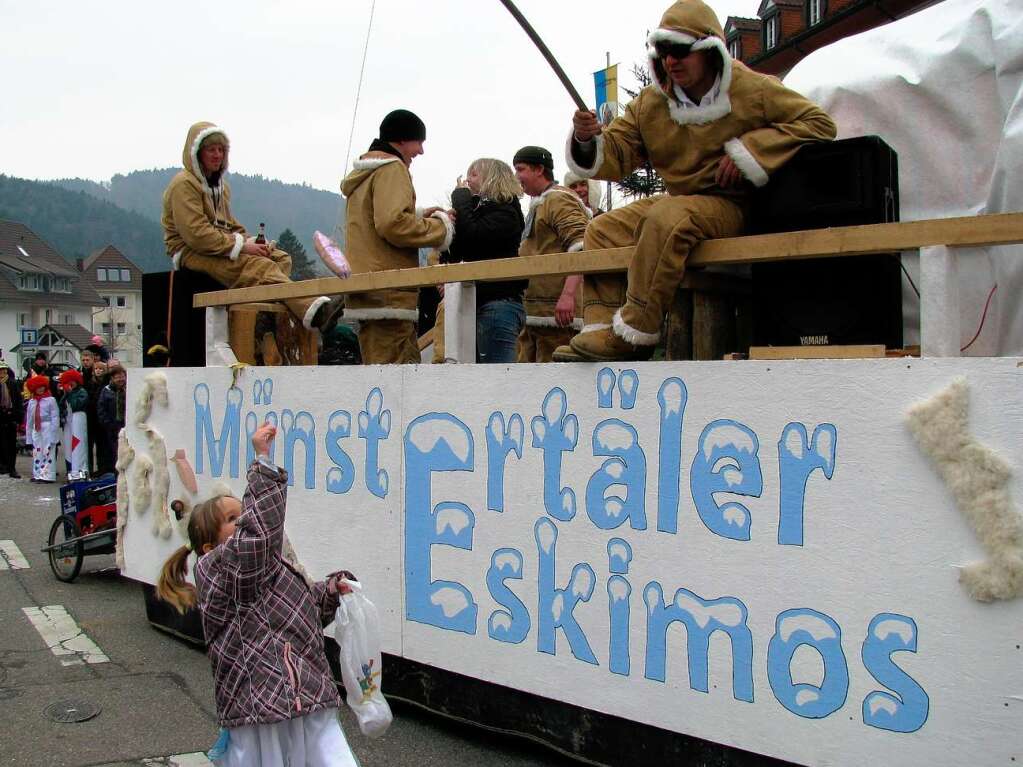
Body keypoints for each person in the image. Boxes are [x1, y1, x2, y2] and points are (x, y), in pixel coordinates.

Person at [558, 0, 837, 362]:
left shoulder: (753, 89)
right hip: (679, 201)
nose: (671, 61)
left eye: (681, 51)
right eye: (663, 52)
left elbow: (818, 124)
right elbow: (617, 153)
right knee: (602, 229)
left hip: (733, 205)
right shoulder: (650, 104)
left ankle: (635, 332)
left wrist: (750, 150)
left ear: (709, 51)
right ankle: (599, 331)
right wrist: (586, 139)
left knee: (667, 218)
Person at [156, 423, 359, 767]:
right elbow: (258, 535)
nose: (245, 521)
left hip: (302, 692)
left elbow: (302, 611)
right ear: (209, 546)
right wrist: (262, 463)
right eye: (234, 519)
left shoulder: (265, 567)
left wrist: (331, 591)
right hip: (261, 702)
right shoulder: (220, 569)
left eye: (243, 514)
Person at [161, 122, 342, 338]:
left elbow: (231, 226)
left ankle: (265, 315)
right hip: (191, 252)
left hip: (218, 245)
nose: (217, 155)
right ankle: (314, 311)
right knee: (259, 268)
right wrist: (242, 248)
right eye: (211, 149)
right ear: (197, 153)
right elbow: (196, 235)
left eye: (221, 150)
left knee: (280, 258)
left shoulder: (221, 187)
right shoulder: (184, 185)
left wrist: (255, 242)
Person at [341, 109, 454, 364]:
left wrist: (419, 214)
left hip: (368, 289)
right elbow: (392, 224)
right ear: (402, 140)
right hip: (390, 293)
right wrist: (441, 227)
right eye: (419, 142)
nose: (421, 151)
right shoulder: (393, 168)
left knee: (383, 371)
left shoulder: (365, 174)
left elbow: (374, 219)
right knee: (396, 381)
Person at [442, 158, 527, 363]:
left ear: (491, 178)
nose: (467, 180)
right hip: (475, 302)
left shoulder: (507, 211)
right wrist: (449, 225)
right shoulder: (478, 212)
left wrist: (460, 199)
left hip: (498, 303)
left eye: (473, 174)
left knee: (496, 378)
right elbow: (457, 253)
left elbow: (474, 236)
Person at [511, 146, 590, 363]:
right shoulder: (540, 203)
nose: (517, 176)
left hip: (557, 315)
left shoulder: (558, 200)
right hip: (537, 312)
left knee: (555, 384)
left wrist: (568, 295)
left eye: (521, 169)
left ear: (539, 169)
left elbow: (582, 246)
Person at [25, 374, 59, 483]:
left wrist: (54, 433)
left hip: (47, 426)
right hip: (36, 428)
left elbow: (55, 417)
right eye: (37, 387)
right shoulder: (32, 402)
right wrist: (28, 437)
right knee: (37, 450)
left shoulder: (51, 400)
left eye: (42, 387)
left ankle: (48, 475)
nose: (40, 389)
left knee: (47, 450)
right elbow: (29, 419)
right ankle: (37, 474)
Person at [58, 369, 89, 480]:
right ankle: (70, 470)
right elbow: (62, 406)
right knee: (69, 446)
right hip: (68, 421)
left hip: (78, 419)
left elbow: (77, 405)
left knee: (78, 444)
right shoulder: (66, 394)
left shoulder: (82, 392)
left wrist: (70, 394)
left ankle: (80, 470)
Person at [96, 364, 126, 472]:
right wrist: (108, 424)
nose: (120, 379)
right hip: (112, 427)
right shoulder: (106, 390)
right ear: (112, 378)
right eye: (117, 377)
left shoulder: (128, 389)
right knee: (114, 454)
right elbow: (101, 409)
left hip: (126, 426)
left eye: (122, 376)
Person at [0, 361, 24, 478]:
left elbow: (19, 401)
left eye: (4, 369)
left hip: (11, 416)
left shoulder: (12, 383)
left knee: (11, 444)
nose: (2, 372)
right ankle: (2, 466)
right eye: (0, 370)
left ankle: (12, 468)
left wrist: (19, 418)